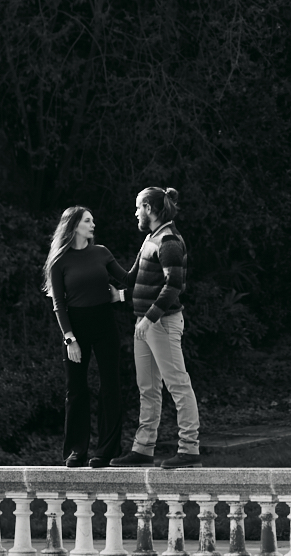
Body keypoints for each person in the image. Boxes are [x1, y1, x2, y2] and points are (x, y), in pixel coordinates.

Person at [109, 186, 200, 468]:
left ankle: (189, 449)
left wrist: (149, 317)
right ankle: (143, 448)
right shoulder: (151, 238)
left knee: (178, 384)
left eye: (138, 207)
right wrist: (99, 260)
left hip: (161, 323)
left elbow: (174, 285)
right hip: (145, 324)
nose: (135, 212)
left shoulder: (169, 241)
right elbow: (133, 279)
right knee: (147, 388)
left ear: (149, 208)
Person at [43, 205, 129, 467]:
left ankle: (107, 450)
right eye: (88, 221)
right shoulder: (60, 260)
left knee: (110, 385)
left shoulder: (101, 253)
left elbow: (128, 279)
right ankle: (76, 450)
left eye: (92, 220)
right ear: (74, 225)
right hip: (76, 328)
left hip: (105, 322)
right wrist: (70, 338)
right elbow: (59, 303)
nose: (93, 224)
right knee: (77, 389)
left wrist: (122, 295)